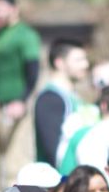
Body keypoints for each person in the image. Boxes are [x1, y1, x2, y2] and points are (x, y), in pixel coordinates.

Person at [33, 39, 93, 168]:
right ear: (59, 63)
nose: (85, 65)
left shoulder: (73, 96)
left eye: (85, 59)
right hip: (62, 182)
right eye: (78, 60)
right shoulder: (50, 98)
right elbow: (53, 150)